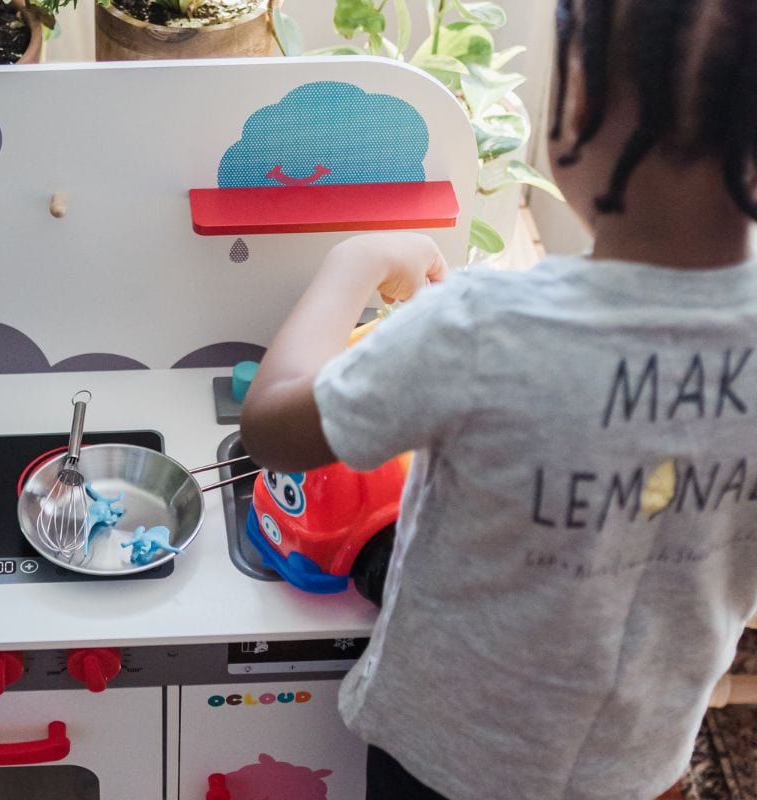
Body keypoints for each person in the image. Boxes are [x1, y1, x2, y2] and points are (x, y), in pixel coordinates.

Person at [238, 0, 757, 798]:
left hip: (447, 762)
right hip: (642, 769)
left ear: (574, 109)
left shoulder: (483, 326)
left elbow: (273, 427)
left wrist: (354, 259)